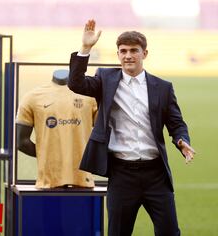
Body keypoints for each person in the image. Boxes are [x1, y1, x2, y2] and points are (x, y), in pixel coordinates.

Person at [68, 19, 196, 235]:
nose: (128, 55)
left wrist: (182, 141)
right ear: (118, 54)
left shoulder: (163, 87)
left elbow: (176, 123)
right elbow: (76, 83)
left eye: (134, 50)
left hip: (156, 174)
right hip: (122, 174)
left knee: (170, 232)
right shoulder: (105, 79)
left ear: (144, 54)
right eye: (123, 51)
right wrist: (86, 48)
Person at [16, 69, 97, 188]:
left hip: (79, 180)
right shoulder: (32, 97)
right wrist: (50, 155)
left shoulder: (90, 97)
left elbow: (105, 133)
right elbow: (21, 142)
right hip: (49, 181)